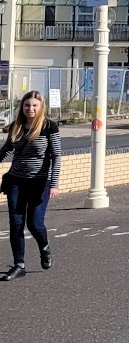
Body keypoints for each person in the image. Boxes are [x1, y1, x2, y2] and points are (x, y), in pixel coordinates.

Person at [0, 90, 59, 281]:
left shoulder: (49, 127)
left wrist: (54, 184)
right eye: (27, 105)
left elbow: (56, 156)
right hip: (16, 181)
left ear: (41, 107)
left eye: (34, 105)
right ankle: (19, 265)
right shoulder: (16, 127)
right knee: (16, 223)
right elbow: (5, 150)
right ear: (22, 107)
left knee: (34, 223)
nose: (30, 109)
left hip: (40, 182)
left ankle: (45, 248)